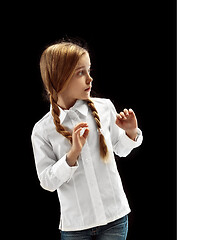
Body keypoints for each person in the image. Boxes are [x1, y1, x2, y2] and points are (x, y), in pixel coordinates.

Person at [31, 41, 143, 240]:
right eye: (80, 72)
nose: (90, 79)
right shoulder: (42, 130)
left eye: (89, 70)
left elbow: (121, 150)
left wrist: (131, 132)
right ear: (59, 77)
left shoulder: (105, 108)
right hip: (76, 226)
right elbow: (47, 182)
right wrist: (72, 154)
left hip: (115, 218)